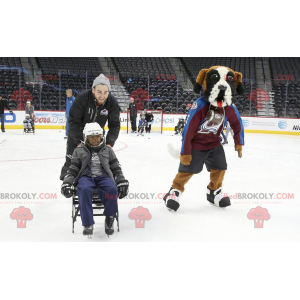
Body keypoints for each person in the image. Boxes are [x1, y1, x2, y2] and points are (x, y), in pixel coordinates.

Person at [61, 123, 129, 237]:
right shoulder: (78, 151)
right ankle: (88, 223)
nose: (95, 139)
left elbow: (116, 167)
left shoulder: (108, 150)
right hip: (86, 177)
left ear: (102, 136)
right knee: (84, 189)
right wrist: (67, 182)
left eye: (98, 137)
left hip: (104, 176)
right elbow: (72, 169)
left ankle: (109, 218)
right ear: (86, 137)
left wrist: (121, 180)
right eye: (92, 137)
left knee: (112, 189)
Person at [60, 74, 121, 181]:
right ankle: (68, 182)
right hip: (77, 135)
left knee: (97, 163)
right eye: (99, 92)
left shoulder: (112, 102)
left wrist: (109, 143)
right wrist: (78, 141)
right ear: (93, 90)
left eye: (105, 92)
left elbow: (114, 125)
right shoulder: (83, 98)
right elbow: (74, 121)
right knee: (72, 162)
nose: (102, 95)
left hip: (97, 138)